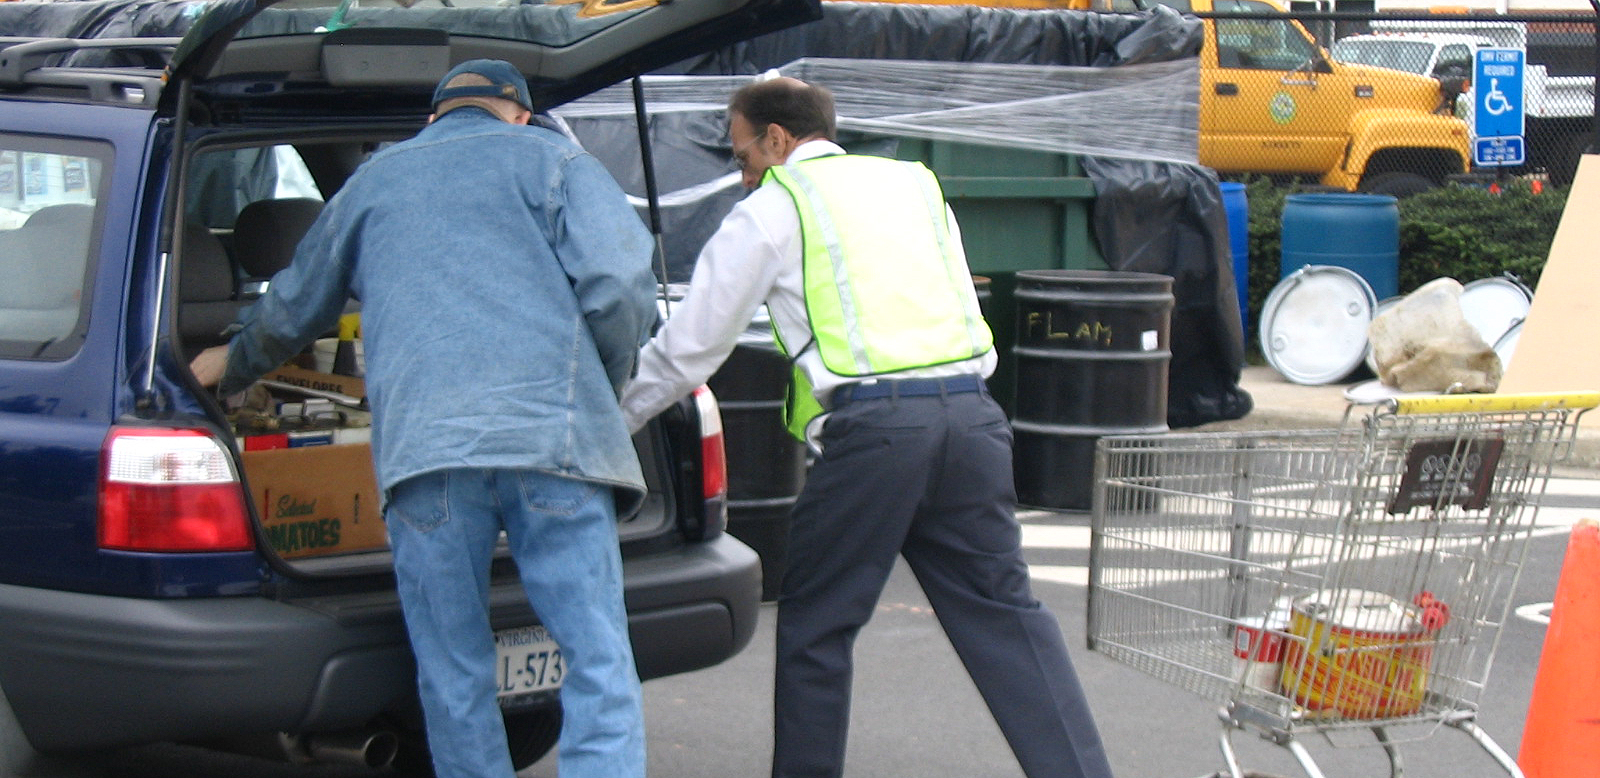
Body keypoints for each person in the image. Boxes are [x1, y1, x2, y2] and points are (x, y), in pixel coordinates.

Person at [620, 77, 1116, 778]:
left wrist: (615, 424)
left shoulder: (774, 207)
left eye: (743, 157)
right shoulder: (914, 186)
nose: (742, 174)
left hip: (876, 435)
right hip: (973, 421)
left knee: (818, 631)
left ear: (778, 139)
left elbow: (692, 348)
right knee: (1007, 618)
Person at [189, 60, 656, 778]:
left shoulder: (376, 181)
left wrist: (229, 365)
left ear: (433, 116)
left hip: (427, 459)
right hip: (555, 445)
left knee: (452, 666)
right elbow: (621, 285)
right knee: (596, 655)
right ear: (520, 114)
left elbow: (294, 304)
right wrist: (600, 384)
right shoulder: (560, 161)